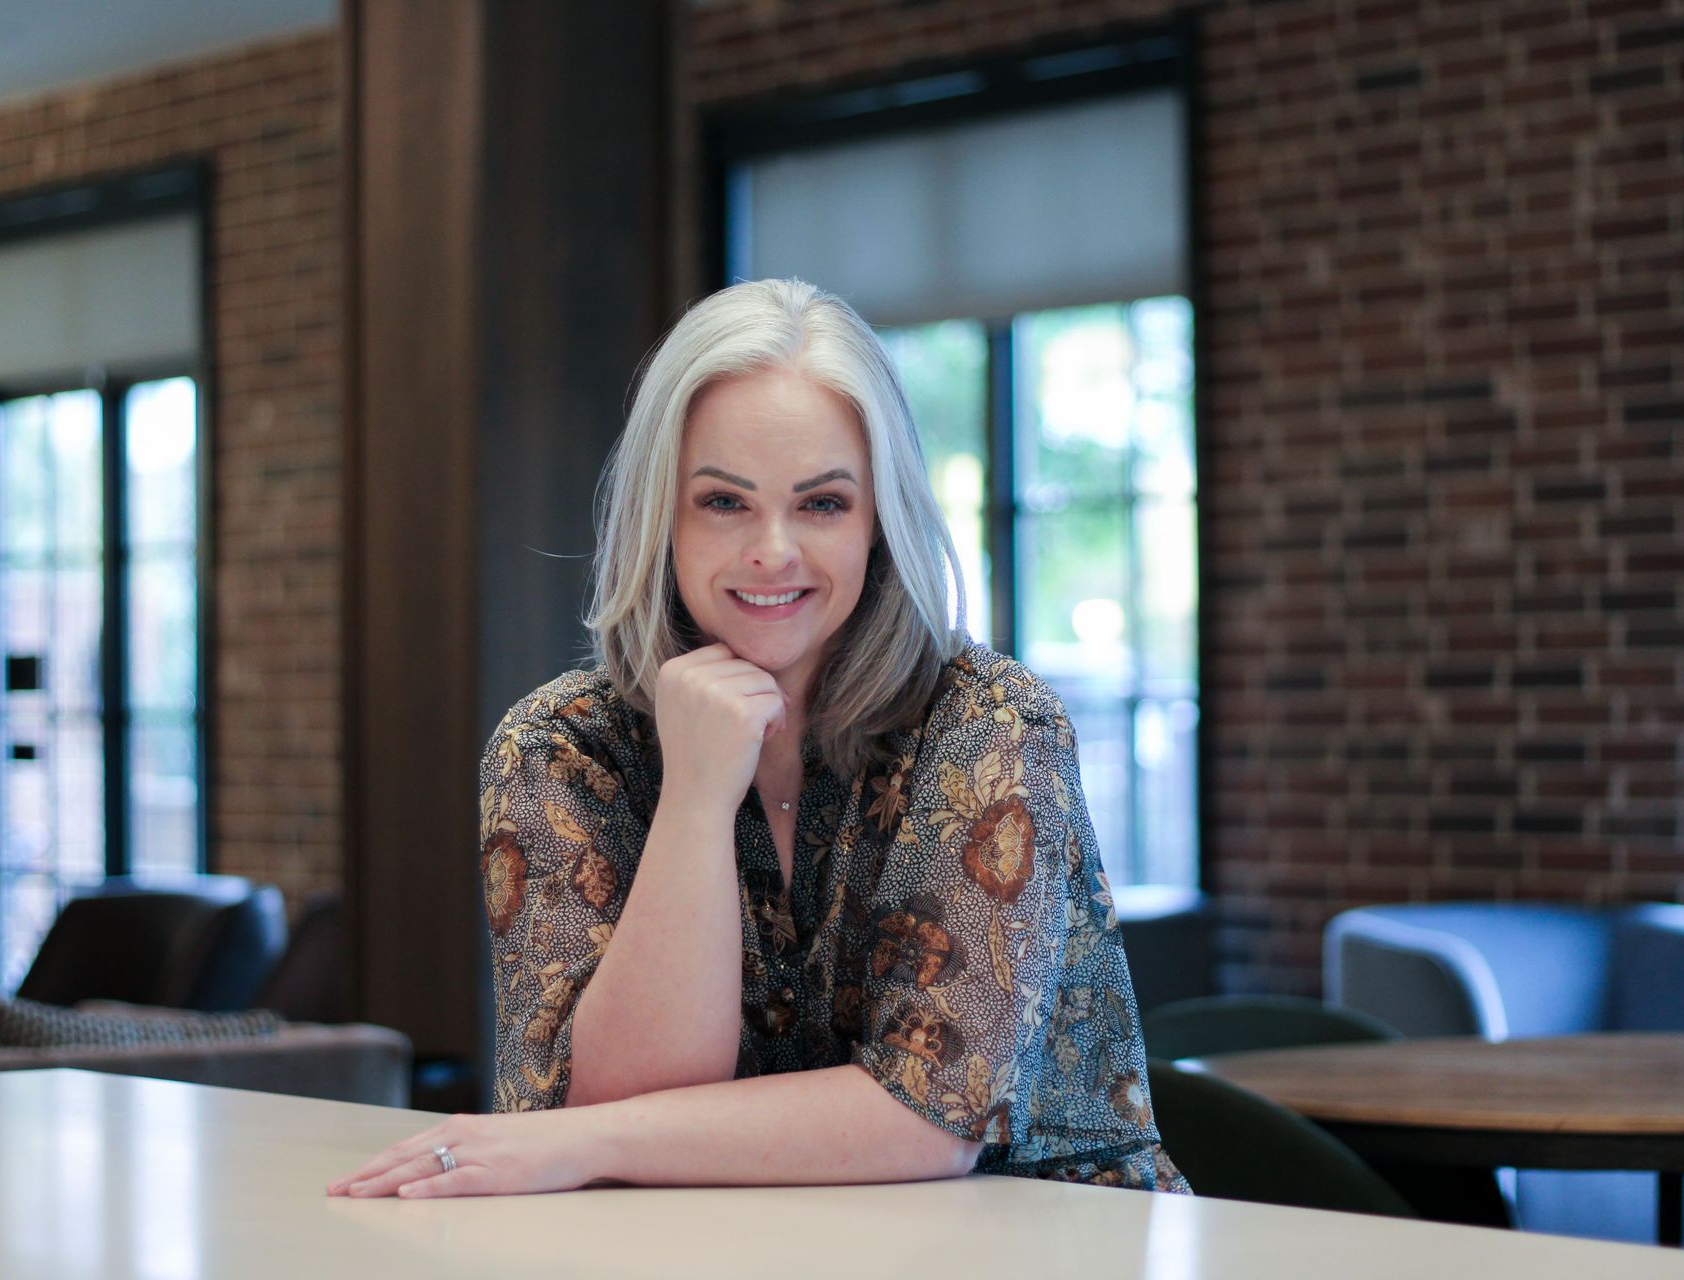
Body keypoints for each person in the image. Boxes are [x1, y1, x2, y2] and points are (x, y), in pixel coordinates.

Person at [328, 278, 1188, 1199]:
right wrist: (696, 800)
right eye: (724, 503)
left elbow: (927, 1122)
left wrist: (585, 1140)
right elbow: (608, 1103)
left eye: (821, 504)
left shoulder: (991, 726)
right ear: (661, 513)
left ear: (880, 522)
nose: (772, 550)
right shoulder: (562, 749)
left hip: (1040, 1245)